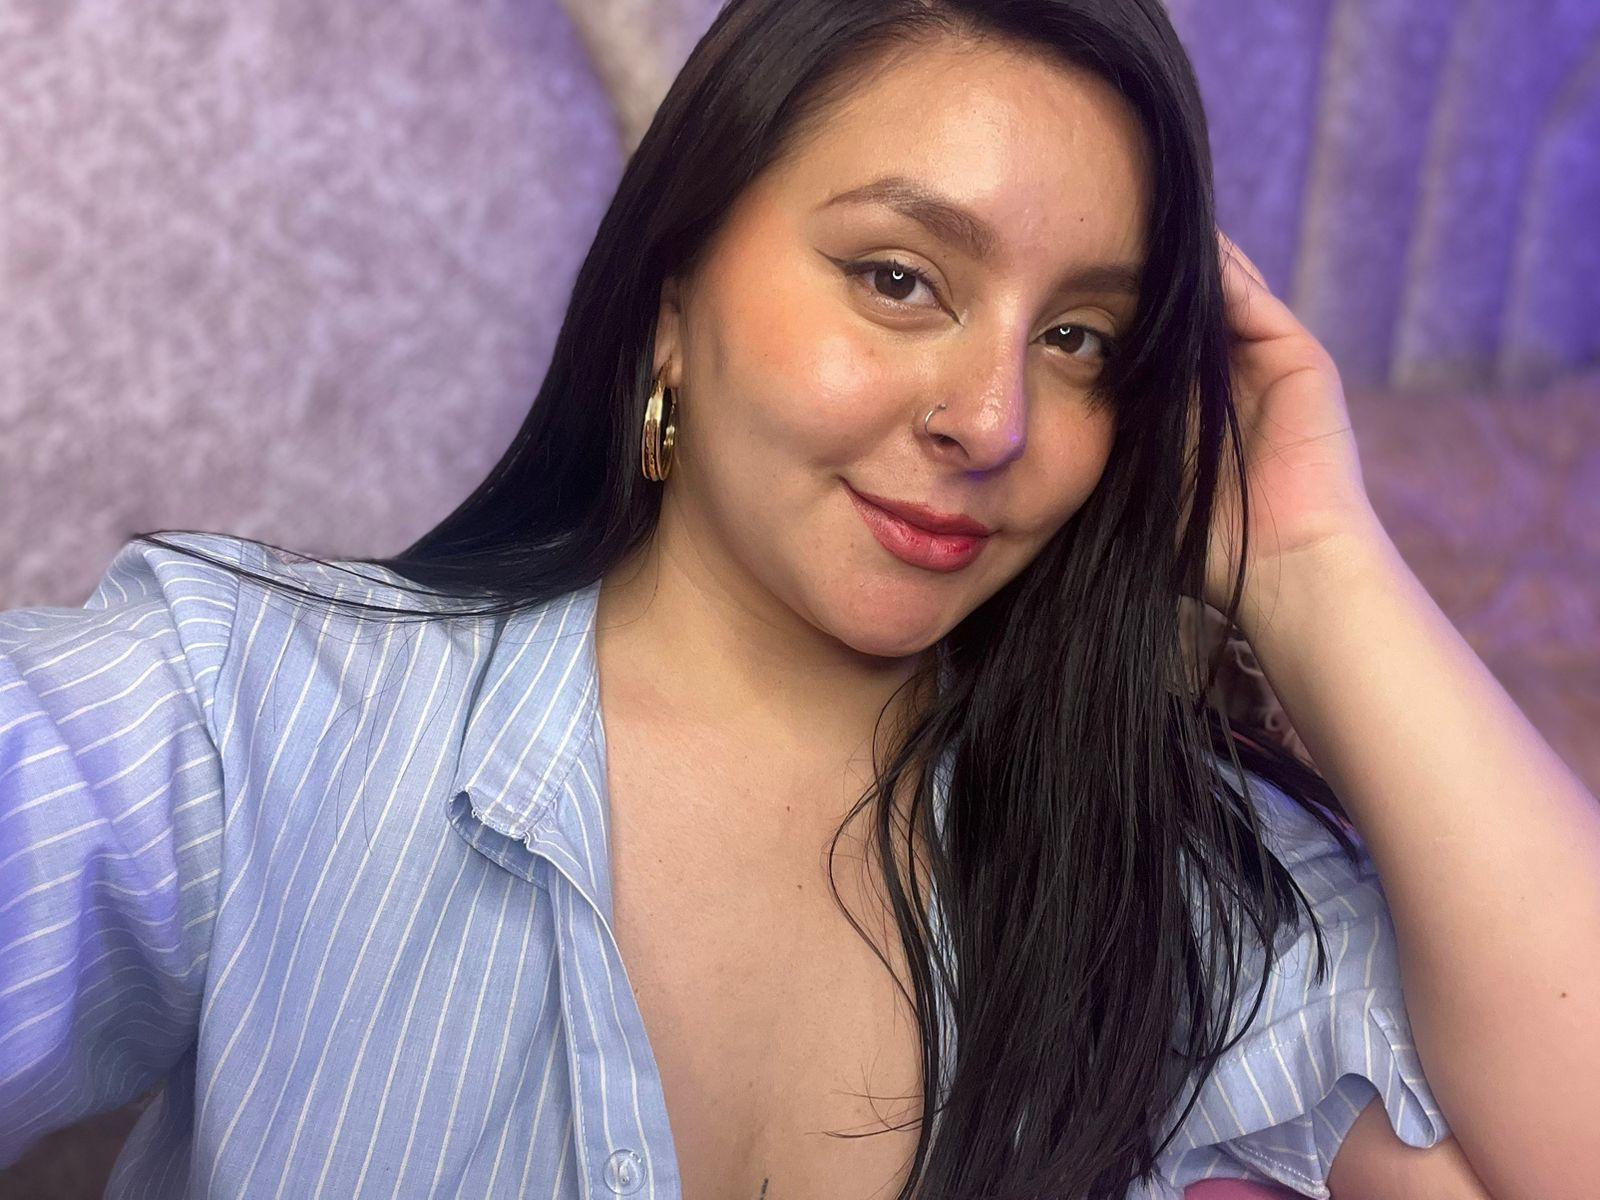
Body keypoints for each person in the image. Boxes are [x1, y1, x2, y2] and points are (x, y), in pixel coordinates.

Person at [4, 1, 1592, 1197]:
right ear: (673, 296)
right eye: (900, 278)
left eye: (1081, 340)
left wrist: (1312, 564)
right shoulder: (251, 708)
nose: (994, 420)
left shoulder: (1163, 876)